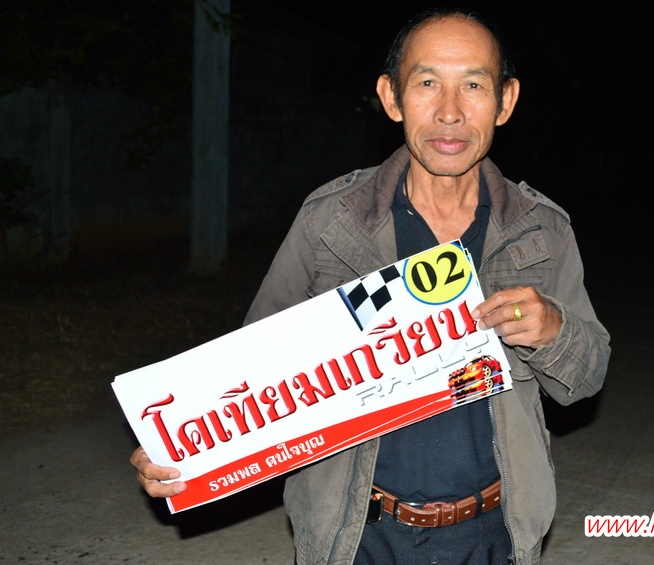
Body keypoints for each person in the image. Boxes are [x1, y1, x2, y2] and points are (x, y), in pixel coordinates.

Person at [131, 8, 611, 564]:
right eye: (427, 83)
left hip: (492, 535)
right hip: (355, 536)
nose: (450, 111)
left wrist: (554, 330)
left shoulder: (541, 231)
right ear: (391, 97)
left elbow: (587, 376)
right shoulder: (331, 222)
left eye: (473, 85)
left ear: (505, 101)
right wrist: (181, 447)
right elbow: (253, 375)